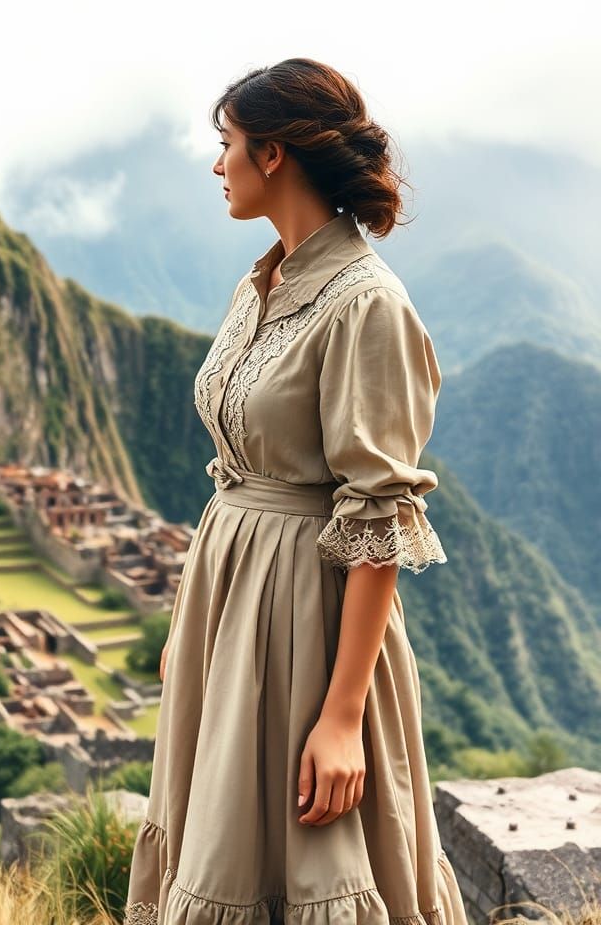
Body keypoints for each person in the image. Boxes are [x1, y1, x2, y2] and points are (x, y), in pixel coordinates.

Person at [122, 58, 469, 925]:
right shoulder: (262, 283)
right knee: (221, 839)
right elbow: (238, 465)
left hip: (306, 618)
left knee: (308, 857)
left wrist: (342, 715)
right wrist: (191, 622)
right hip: (227, 601)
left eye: (228, 144)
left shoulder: (367, 305)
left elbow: (379, 516)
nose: (218, 164)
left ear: (272, 154)